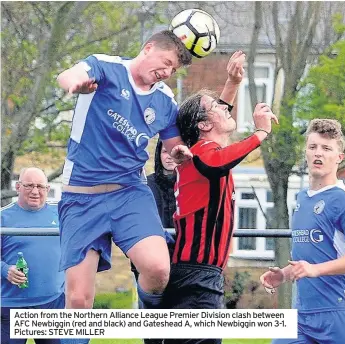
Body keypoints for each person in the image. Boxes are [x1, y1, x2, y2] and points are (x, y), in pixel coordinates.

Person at [56, 28, 243, 322]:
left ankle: (152, 319)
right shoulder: (106, 67)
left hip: (129, 194)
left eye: (172, 69)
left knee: (158, 269)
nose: (166, 72)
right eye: (166, 62)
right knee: (78, 301)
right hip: (82, 197)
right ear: (148, 47)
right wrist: (75, 83)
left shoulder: (165, 101)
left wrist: (179, 152)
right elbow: (67, 75)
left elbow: (177, 143)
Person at [162, 73, 278, 343]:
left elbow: (220, 142)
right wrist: (260, 133)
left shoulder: (205, 150)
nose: (225, 109)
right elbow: (218, 161)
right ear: (202, 124)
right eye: (216, 107)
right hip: (196, 275)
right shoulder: (202, 153)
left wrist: (233, 83)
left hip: (200, 275)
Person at [260, 119, 345, 344]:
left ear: (339, 158)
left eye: (326, 148)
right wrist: (284, 274)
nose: (318, 153)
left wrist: (315, 270)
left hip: (341, 313)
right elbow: (309, 259)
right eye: (313, 147)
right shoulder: (302, 198)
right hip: (303, 316)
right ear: (306, 153)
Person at [1, 167, 65, 344]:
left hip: (51, 304)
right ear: (18, 187)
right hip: (11, 307)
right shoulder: (3, 218)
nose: (35, 191)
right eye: (29, 186)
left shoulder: (60, 216)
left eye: (40, 186)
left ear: (47, 189)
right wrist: (5, 270)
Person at [131, 140, 177, 282]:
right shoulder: (145, 186)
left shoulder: (189, 185)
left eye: (173, 152)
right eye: (165, 151)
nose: (169, 156)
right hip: (150, 257)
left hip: (182, 261)